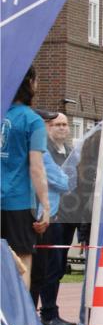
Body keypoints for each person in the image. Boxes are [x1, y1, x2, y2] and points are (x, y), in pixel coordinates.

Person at [0, 67, 50, 288]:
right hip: (18, 201)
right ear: (29, 82)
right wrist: (46, 207)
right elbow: (37, 168)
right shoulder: (33, 121)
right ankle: (19, 320)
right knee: (22, 262)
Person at [29, 110, 72, 325]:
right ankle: (43, 314)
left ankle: (46, 311)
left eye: (65, 124)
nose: (62, 128)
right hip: (43, 216)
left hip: (60, 215)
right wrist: (63, 177)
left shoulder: (70, 151)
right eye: (56, 124)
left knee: (54, 266)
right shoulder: (42, 150)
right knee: (41, 269)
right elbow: (64, 181)